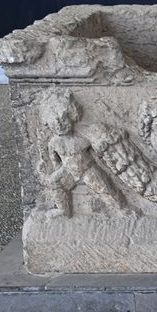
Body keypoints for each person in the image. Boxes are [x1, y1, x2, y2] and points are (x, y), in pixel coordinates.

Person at [40, 88, 130, 217]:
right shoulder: (54, 143)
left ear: (73, 116)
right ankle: (62, 209)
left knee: (104, 188)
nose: (59, 126)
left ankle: (121, 208)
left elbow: (100, 152)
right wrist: (56, 175)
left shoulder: (82, 137)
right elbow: (55, 162)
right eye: (54, 124)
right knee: (54, 182)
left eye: (63, 120)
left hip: (87, 169)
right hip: (67, 171)